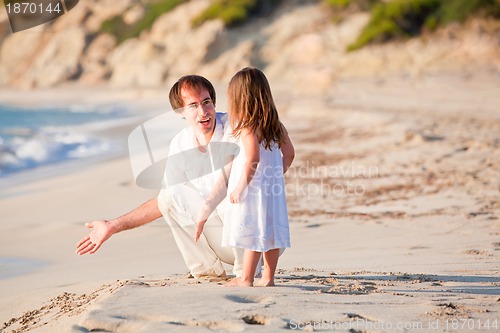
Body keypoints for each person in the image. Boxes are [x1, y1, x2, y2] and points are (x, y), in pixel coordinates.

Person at [76, 75, 238, 278]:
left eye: (206, 102)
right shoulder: (181, 143)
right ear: (180, 112)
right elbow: (165, 201)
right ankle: (207, 272)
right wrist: (112, 226)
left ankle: (245, 267)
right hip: (222, 239)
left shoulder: (235, 128)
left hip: (250, 239)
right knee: (170, 194)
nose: (203, 112)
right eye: (193, 106)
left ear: (214, 102)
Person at [195, 67, 295, 287]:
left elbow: (252, 158)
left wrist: (240, 186)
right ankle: (268, 277)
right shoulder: (276, 126)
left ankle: (246, 278)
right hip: (271, 190)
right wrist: (275, 175)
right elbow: (289, 154)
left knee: (252, 233)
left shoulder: (247, 127)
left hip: (252, 190)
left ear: (239, 99)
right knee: (270, 233)